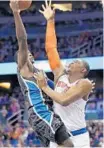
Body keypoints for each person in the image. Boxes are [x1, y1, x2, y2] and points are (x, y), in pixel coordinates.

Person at [9, 0, 73, 147]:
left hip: (46, 110)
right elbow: (22, 39)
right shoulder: (23, 68)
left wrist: (67, 78)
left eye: (29, 53)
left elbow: (56, 89)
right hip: (39, 111)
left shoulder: (39, 73)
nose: (27, 54)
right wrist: (16, 13)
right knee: (68, 145)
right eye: (24, 54)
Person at [35, 0, 94, 147]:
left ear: (83, 70)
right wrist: (50, 21)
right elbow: (51, 49)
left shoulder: (84, 84)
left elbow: (64, 100)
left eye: (76, 62)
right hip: (59, 135)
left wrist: (44, 87)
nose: (72, 62)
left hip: (78, 136)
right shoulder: (60, 74)